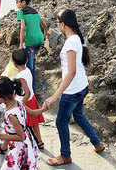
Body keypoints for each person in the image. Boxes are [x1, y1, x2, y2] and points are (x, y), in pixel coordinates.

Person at [43, 9, 104, 166]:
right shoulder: (76, 38)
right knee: (78, 115)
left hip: (72, 91)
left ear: (63, 24)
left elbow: (71, 72)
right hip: (82, 86)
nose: (57, 25)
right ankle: (97, 144)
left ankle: (65, 156)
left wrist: (55, 96)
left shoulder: (71, 42)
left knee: (60, 122)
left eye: (58, 23)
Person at [0, 76, 44, 170]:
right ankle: (3, 148)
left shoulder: (11, 115)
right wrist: (43, 109)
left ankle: (3, 149)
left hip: (20, 146)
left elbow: (21, 137)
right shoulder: (18, 102)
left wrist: (0, 136)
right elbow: (32, 112)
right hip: (27, 138)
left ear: (4, 96)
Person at [12, 49, 45, 149]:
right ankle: (40, 141)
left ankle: (28, 142)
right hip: (32, 100)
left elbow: (27, 93)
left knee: (24, 124)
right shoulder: (27, 70)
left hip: (26, 102)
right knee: (35, 124)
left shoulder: (20, 76)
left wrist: (21, 104)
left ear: (13, 62)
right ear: (26, 61)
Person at [15, 0, 49, 89]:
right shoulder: (34, 11)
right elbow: (43, 23)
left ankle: (31, 88)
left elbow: (22, 28)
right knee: (31, 57)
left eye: (18, 2)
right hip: (39, 39)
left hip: (31, 41)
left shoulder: (21, 12)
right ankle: (32, 59)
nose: (17, 4)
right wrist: (46, 32)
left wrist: (21, 44)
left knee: (30, 66)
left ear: (24, 2)